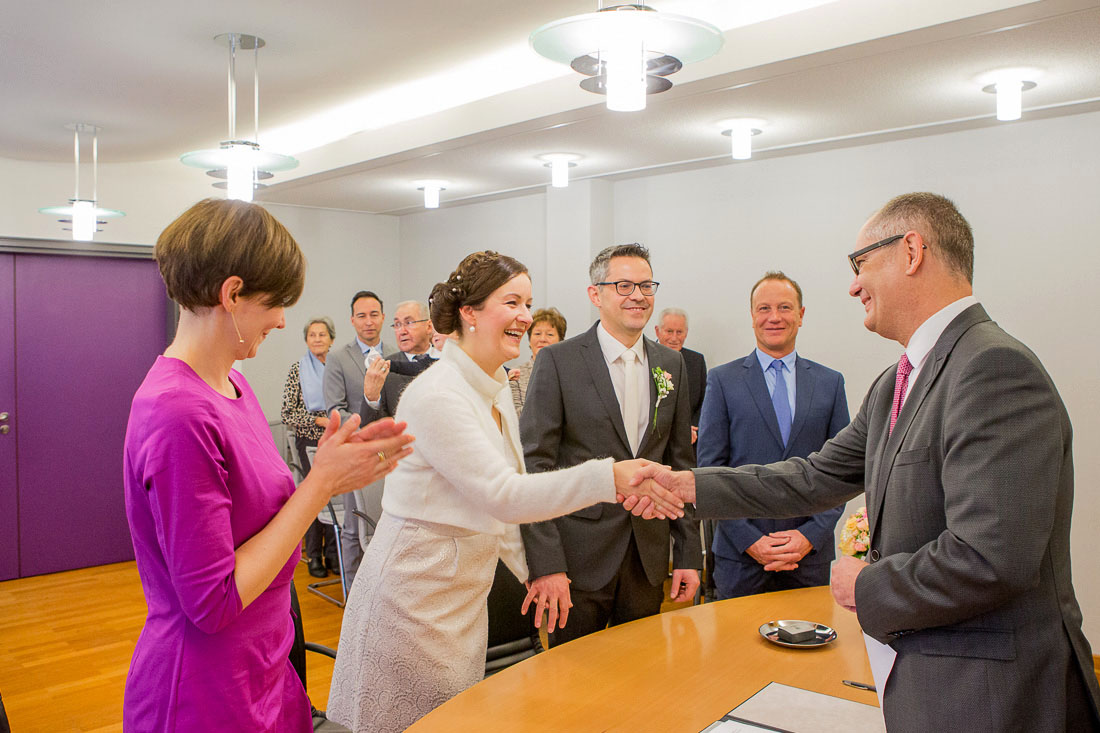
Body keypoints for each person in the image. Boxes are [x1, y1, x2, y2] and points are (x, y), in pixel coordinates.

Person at [624, 193, 1100, 731]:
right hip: (932, 677)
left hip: (992, 694)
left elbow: (990, 557)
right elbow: (813, 476)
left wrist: (864, 585)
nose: (853, 285)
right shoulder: (898, 380)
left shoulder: (993, 368)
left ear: (912, 251)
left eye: (860, 264)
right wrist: (687, 485)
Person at [326, 251, 683, 733]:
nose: (525, 316)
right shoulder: (439, 395)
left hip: (462, 598)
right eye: (511, 302)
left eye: (528, 303)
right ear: (469, 313)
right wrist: (608, 478)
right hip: (413, 599)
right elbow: (505, 494)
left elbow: (506, 508)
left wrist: (536, 571)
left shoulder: (493, 389)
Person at [122, 199, 413, 732]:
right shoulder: (177, 412)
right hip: (204, 689)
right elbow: (212, 601)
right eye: (276, 303)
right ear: (231, 295)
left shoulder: (234, 384)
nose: (283, 321)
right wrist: (323, 481)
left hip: (263, 665)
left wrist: (332, 463)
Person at [520, 244, 702, 648]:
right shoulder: (558, 361)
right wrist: (547, 564)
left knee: (642, 674)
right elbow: (535, 465)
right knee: (573, 680)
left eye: (645, 285)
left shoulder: (671, 365)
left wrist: (689, 553)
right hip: (578, 558)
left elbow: (680, 463)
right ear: (595, 294)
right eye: (623, 285)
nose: (637, 295)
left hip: (647, 554)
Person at [698, 273, 848, 598]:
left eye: (784, 307)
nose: (774, 317)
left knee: (811, 645)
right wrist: (750, 541)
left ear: (801, 314)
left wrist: (810, 536)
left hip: (808, 558)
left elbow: (844, 472)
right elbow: (711, 471)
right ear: (752, 316)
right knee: (738, 648)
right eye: (764, 308)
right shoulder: (722, 382)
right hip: (740, 558)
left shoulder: (830, 384)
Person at [322, 290, 390, 585]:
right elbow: (334, 410)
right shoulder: (338, 358)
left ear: (383, 318)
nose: (369, 322)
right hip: (357, 454)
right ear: (352, 320)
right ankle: (353, 599)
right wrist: (371, 425)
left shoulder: (396, 355)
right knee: (354, 528)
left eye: (374, 314)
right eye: (362, 316)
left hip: (393, 454)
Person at [281, 316, 340, 578]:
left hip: (336, 437)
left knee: (335, 493)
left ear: (331, 339)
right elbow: (287, 413)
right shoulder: (298, 370)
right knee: (316, 496)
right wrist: (317, 419)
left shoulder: (338, 367)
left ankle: (333, 555)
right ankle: (314, 555)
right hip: (309, 440)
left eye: (322, 334)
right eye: (312, 335)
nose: (317, 339)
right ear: (306, 340)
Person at [653, 307, 706, 443]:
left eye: (679, 332)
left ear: (686, 333)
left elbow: (704, 402)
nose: (674, 338)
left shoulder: (697, 361)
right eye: (669, 331)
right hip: (654, 438)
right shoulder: (645, 358)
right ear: (658, 331)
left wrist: (690, 428)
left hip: (689, 440)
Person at [508, 306, 566, 415]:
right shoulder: (515, 374)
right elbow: (515, 415)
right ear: (529, 340)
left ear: (560, 341)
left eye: (550, 334)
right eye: (537, 334)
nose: (542, 339)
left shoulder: (569, 374)